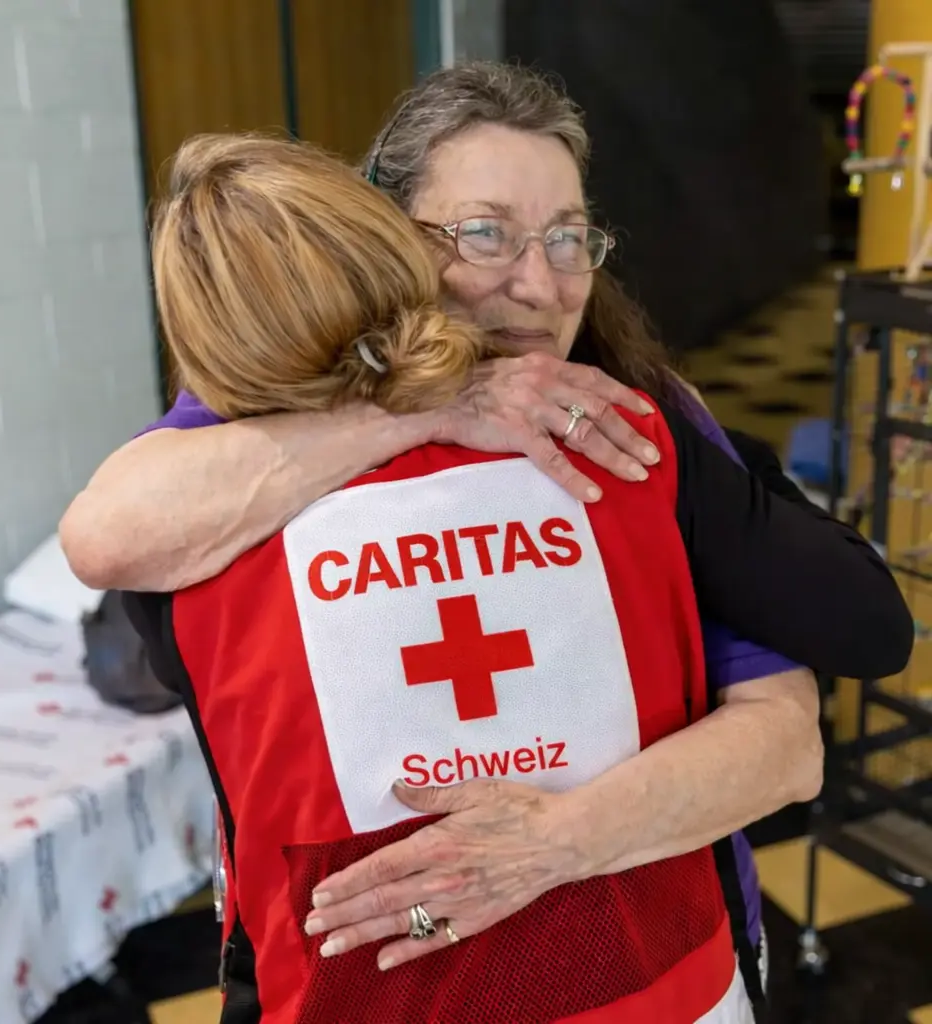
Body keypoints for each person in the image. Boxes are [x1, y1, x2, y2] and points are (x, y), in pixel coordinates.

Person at [61, 61, 908, 1002]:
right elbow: (107, 536)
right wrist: (430, 409)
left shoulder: (631, 432)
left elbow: (790, 736)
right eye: (484, 234)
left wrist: (550, 844)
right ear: (388, 237)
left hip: (650, 962)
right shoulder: (275, 427)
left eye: (568, 237)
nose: (540, 284)